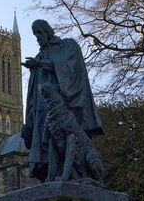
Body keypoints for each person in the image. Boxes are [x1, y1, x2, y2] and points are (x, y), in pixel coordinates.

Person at [21, 19, 104, 182]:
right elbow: (32, 94)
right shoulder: (39, 56)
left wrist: (39, 64)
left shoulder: (66, 45)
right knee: (50, 141)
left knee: (69, 139)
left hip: (63, 107)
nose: (37, 37)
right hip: (43, 110)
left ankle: (70, 175)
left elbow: (66, 68)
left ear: (48, 30)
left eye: (39, 32)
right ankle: (52, 176)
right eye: (34, 34)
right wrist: (30, 121)